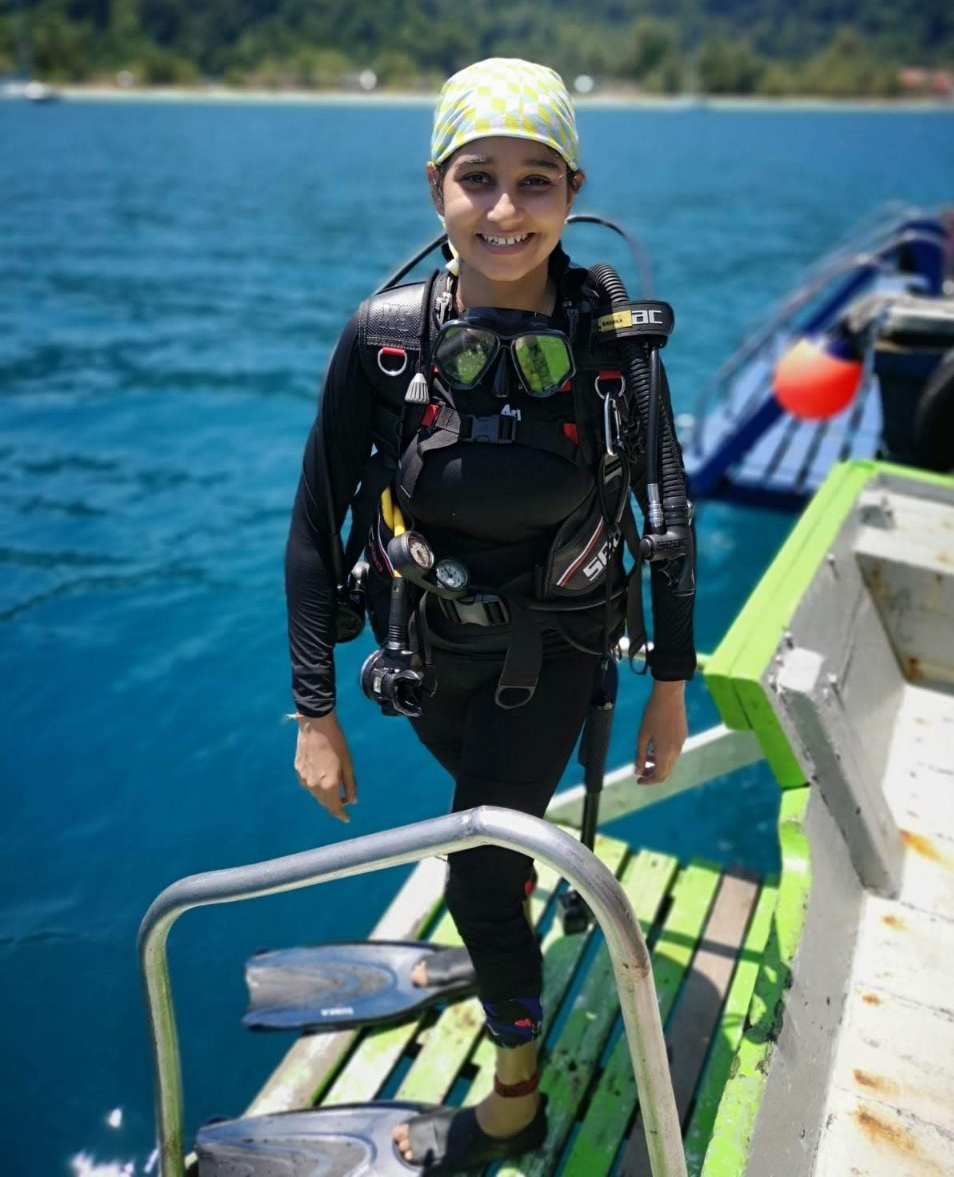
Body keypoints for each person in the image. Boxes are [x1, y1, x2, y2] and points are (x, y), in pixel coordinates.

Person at [284, 56, 696, 1173]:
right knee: (485, 824)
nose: (506, 210)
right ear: (437, 188)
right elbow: (317, 521)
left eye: (536, 181)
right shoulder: (383, 337)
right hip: (424, 653)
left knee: (475, 855)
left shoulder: (613, 342)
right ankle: (505, 908)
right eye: (480, 178)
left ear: (572, 190)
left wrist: (669, 685)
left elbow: (667, 508)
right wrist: (314, 711)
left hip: (557, 651)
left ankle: (515, 1098)